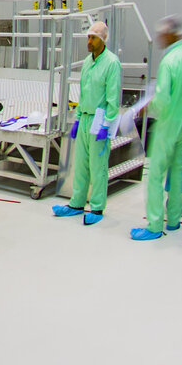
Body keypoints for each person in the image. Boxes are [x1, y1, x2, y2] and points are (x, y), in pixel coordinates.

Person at [133, 16, 182, 241]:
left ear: (172, 34)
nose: (160, 38)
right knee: (178, 174)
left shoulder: (170, 60)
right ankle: (173, 220)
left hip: (168, 124)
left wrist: (146, 107)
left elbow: (162, 99)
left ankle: (154, 225)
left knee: (155, 177)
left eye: (163, 34)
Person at [54, 19, 120, 225]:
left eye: (93, 38)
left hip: (100, 121)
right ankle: (76, 203)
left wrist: (107, 125)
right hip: (84, 120)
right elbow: (83, 93)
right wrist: (78, 118)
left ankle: (97, 207)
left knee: (97, 166)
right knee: (80, 164)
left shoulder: (111, 63)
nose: (89, 41)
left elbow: (113, 98)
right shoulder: (87, 62)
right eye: (88, 37)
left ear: (102, 39)